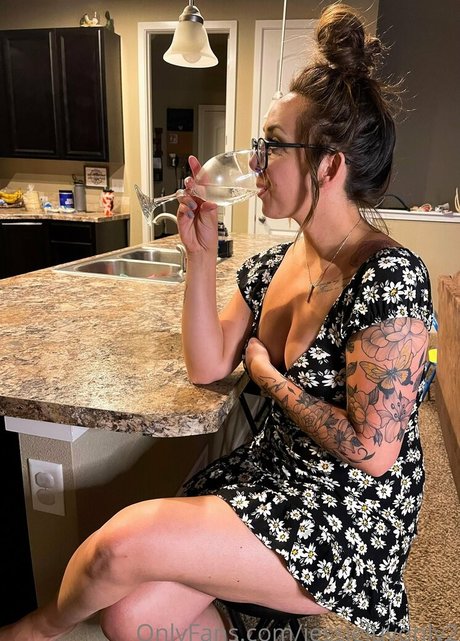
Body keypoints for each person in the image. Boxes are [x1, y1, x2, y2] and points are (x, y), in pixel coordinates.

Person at [0, 4, 432, 640]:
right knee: (131, 616)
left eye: (272, 145)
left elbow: (373, 453)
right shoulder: (275, 265)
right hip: (275, 473)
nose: (255, 162)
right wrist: (199, 256)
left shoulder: (391, 278)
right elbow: (206, 366)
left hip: (348, 514)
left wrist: (269, 376)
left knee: (119, 548)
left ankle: (33, 631)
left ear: (328, 165)